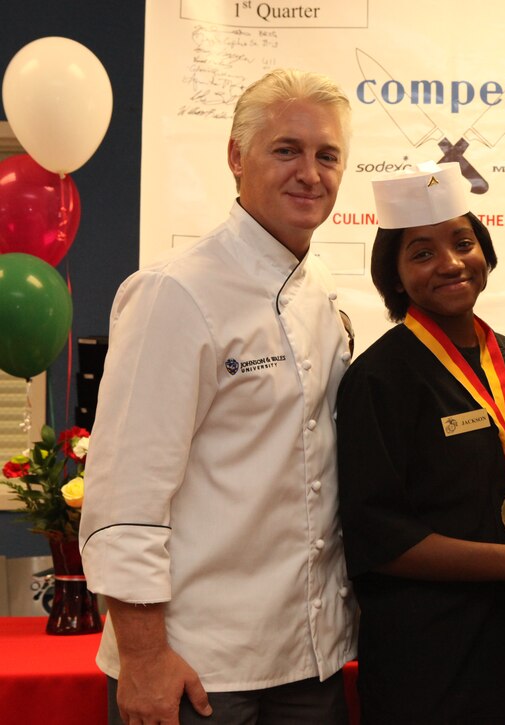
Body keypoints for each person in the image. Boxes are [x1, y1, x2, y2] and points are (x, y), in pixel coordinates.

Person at [79, 68, 357, 724]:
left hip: (309, 660)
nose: (309, 174)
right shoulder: (176, 293)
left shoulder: (326, 294)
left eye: (327, 155)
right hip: (195, 666)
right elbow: (125, 494)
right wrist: (145, 657)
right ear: (237, 156)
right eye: (285, 149)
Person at [336, 161, 505, 723]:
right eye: (422, 252)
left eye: (463, 242)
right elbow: (377, 538)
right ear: (395, 275)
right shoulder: (378, 379)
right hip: (435, 668)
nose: (451, 263)